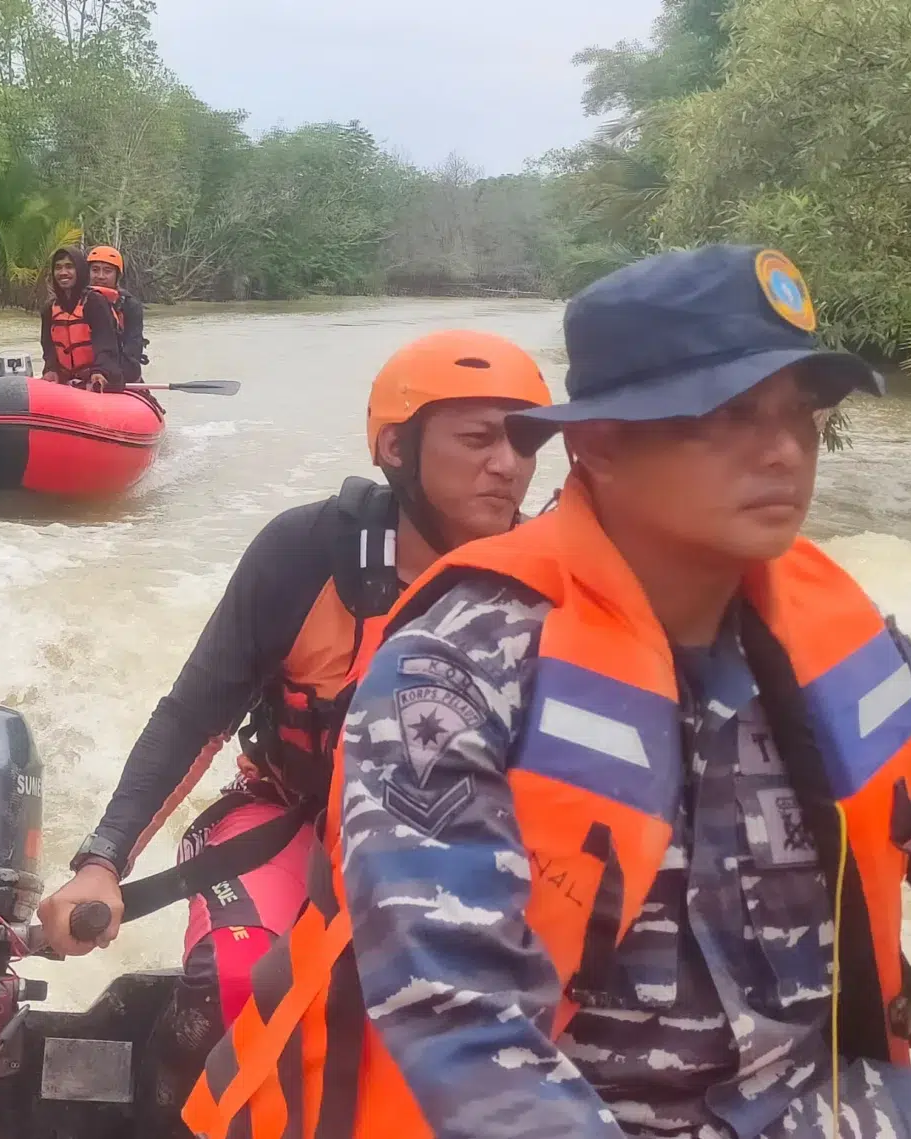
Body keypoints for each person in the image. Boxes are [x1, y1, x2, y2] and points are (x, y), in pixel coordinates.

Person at [185, 246, 911, 1139]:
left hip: (797, 1112)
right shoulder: (455, 663)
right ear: (594, 444)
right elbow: (460, 1024)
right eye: (726, 416)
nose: (782, 450)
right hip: (564, 1119)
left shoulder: (850, 649)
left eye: (800, 414)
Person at [35, 331, 550, 1107]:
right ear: (396, 448)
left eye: (526, 440)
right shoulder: (304, 553)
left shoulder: (554, 582)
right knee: (231, 987)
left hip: (463, 848)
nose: (507, 464)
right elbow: (192, 716)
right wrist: (102, 860)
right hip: (291, 818)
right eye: (477, 438)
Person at [40, 245, 131, 392]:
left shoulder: (95, 302)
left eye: (69, 267)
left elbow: (106, 345)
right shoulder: (48, 309)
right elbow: (48, 348)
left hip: (100, 376)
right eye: (58, 268)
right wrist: (51, 369)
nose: (63, 272)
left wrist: (100, 371)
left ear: (80, 270)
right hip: (66, 381)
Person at [87, 245, 146, 384]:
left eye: (107, 271)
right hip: (84, 373)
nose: (100, 276)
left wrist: (112, 375)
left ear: (117, 275)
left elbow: (133, 348)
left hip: (117, 374)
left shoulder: (130, 306)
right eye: (95, 270)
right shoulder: (78, 302)